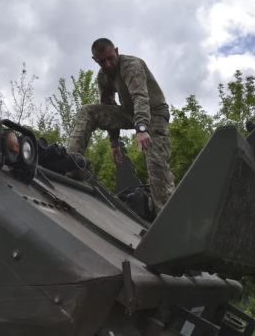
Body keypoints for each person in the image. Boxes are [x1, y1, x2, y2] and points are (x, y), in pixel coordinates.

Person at [67, 38, 175, 212]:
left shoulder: (131, 66)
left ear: (116, 52)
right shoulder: (103, 77)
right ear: (95, 60)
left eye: (110, 58)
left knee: (156, 163)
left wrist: (141, 129)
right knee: (88, 111)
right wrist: (114, 143)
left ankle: (165, 210)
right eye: (102, 61)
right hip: (128, 112)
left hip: (154, 113)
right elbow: (108, 109)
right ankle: (73, 163)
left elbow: (140, 97)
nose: (108, 64)